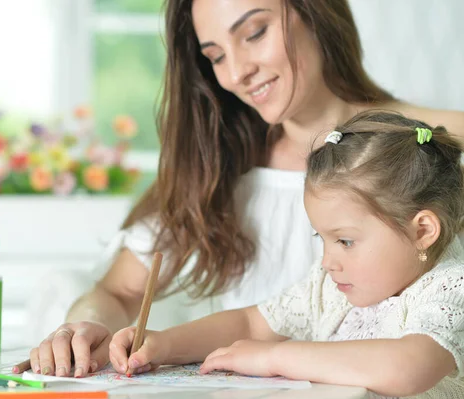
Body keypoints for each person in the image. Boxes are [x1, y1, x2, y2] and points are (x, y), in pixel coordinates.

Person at [29, 0, 464, 378]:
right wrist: (80, 331)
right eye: (216, 56)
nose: (237, 73)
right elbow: (118, 292)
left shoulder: (440, 146)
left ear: (314, 14)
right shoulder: (219, 170)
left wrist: (278, 356)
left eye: (254, 33)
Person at [109, 111, 464, 398]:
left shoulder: (451, 288)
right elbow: (252, 323)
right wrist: (165, 343)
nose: (327, 261)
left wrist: (273, 357)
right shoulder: (331, 287)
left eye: (345, 241)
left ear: (422, 231)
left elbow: (407, 367)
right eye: (321, 238)